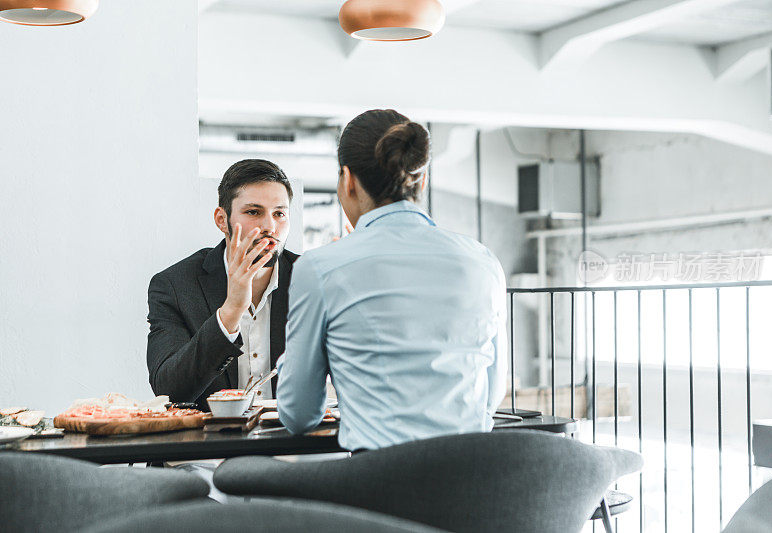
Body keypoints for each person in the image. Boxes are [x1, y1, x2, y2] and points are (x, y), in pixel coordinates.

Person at [277, 109, 508, 451]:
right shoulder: (483, 261)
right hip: (474, 484)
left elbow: (299, 415)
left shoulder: (321, 267)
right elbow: (491, 397)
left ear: (347, 180)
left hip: (378, 487)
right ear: (422, 180)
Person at [147, 159, 299, 408]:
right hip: (212, 444)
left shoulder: (311, 279)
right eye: (253, 212)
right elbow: (169, 391)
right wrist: (230, 313)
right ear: (221, 219)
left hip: (292, 441)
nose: (270, 226)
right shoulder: (174, 286)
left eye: (279, 214)